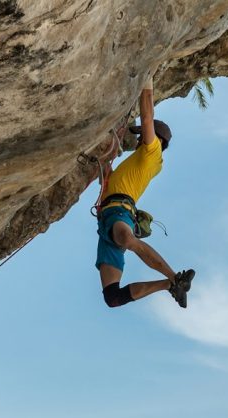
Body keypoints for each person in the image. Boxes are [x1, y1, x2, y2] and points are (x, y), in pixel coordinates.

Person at [94, 75, 194, 309]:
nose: (138, 138)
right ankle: (170, 285)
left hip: (119, 212)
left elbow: (147, 116)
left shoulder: (153, 152)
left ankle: (175, 278)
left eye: (141, 135)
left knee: (128, 240)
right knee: (113, 297)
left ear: (155, 139)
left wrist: (146, 80)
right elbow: (108, 178)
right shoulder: (141, 161)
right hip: (107, 220)